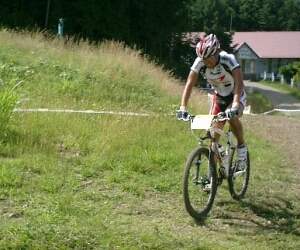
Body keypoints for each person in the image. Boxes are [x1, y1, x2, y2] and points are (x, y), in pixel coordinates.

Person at [177, 33, 247, 189]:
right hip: (219, 98)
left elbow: (239, 82)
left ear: (216, 52)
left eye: (209, 59)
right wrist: (183, 107)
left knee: (232, 118)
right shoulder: (200, 61)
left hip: (236, 94)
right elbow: (189, 84)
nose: (207, 63)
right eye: (204, 60)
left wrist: (235, 104)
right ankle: (212, 175)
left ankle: (241, 147)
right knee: (212, 138)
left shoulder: (228, 59)